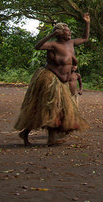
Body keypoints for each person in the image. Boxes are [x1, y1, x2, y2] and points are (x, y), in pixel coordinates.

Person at [15, 14, 90, 146]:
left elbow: (85, 38)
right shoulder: (52, 45)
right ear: (59, 34)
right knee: (51, 108)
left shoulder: (71, 43)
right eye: (67, 32)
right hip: (51, 79)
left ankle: (44, 136)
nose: (70, 34)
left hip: (64, 81)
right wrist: (51, 35)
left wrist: (87, 23)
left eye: (70, 32)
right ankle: (44, 137)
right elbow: (37, 47)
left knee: (60, 109)